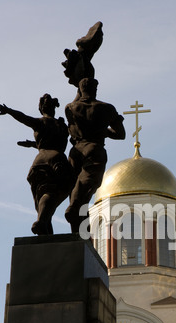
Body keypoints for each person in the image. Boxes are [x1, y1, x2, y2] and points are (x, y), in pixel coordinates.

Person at [0, 94, 74, 235]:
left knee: (45, 194)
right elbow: (53, 141)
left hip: (40, 161)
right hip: (58, 160)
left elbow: (23, 118)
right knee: (53, 194)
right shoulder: (62, 126)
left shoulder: (41, 122)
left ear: (40, 109)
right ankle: (44, 225)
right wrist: (33, 144)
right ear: (54, 109)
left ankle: (42, 222)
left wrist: (9, 111)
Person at [64, 77, 126, 233]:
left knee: (74, 186)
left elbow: (71, 129)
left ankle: (79, 228)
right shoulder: (106, 108)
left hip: (75, 151)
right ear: (95, 89)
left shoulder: (70, 108)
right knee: (87, 182)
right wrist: (102, 130)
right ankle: (74, 206)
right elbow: (120, 134)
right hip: (94, 148)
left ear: (80, 90)